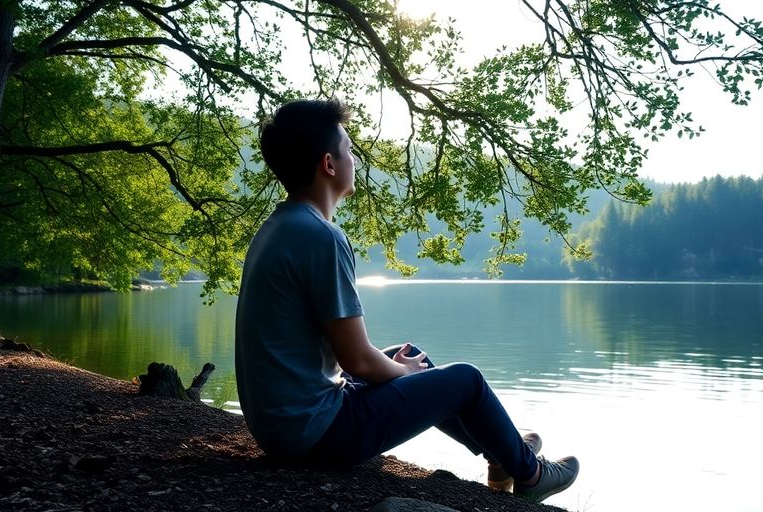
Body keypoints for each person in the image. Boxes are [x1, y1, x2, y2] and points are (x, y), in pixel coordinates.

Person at [234, 98, 579, 502]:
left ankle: (502, 454)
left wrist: (400, 369)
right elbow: (357, 360)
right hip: (317, 435)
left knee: (406, 354)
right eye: (349, 151)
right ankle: (532, 474)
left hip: (283, 427)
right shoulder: (320, 237)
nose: (355, 160)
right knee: (465, 379)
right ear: (329, 164)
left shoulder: (281, 226)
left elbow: (348, 358)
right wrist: (405, 376)